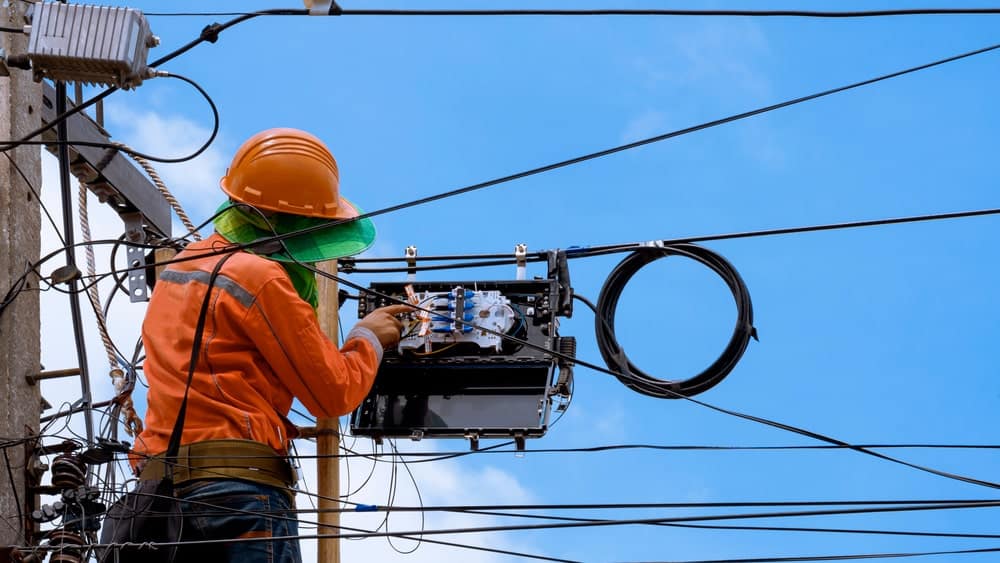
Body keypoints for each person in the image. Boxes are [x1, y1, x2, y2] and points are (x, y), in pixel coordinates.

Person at [129, 128, 407, 562]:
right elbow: (331, 392)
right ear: (289, 222)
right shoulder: (261, 279)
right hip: (238, 493)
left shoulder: (179, 270)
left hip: (158, 498)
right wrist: (367, 337)